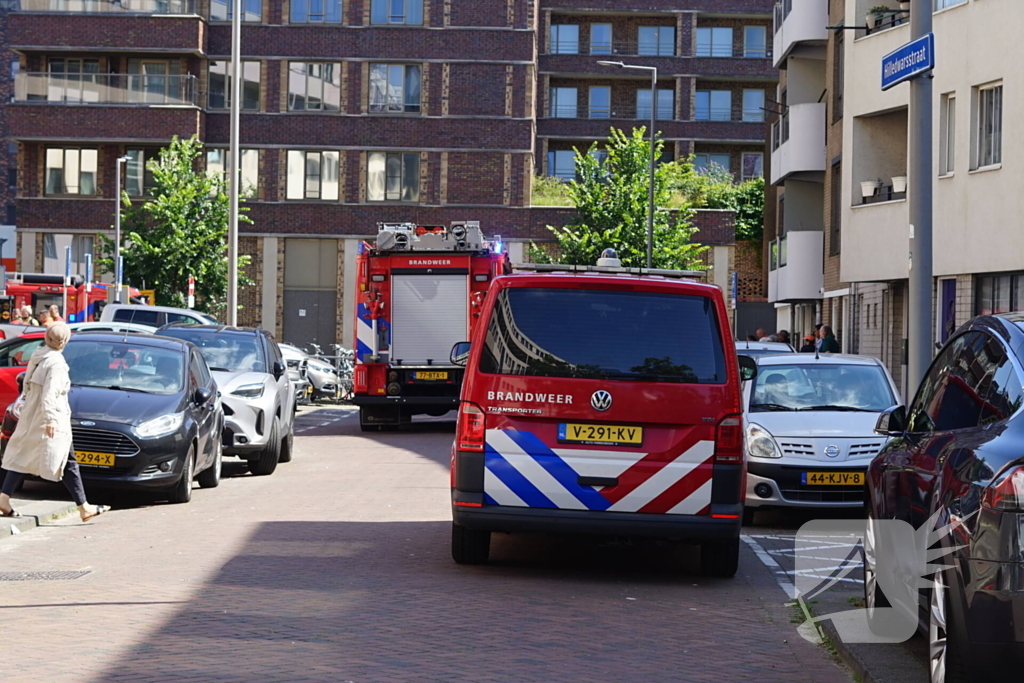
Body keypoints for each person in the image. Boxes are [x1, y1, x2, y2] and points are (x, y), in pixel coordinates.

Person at [0, 323, 108, 521]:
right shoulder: (57, 363)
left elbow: (27, 385)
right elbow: (50, 393)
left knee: (26, 454)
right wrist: (50, 419)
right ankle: (84, 508)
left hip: (33, 413)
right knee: (67, 460)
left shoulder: (39, 355)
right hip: (51, 417)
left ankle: (4, 497)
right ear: (65, 341)